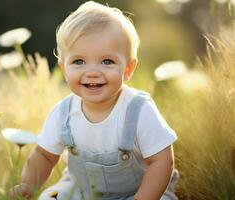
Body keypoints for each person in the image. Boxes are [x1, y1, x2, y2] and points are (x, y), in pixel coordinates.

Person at [11, 1, 178, 199]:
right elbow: (45, 155)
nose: (92, 72)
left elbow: (162, 162)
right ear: (64, 69)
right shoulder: (63, 114)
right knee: (51, 197)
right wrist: (29, 184)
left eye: (107, 61)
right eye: (78, 61)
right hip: (82, 191)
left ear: (128, 69)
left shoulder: (138, 110)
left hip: (140, 191)